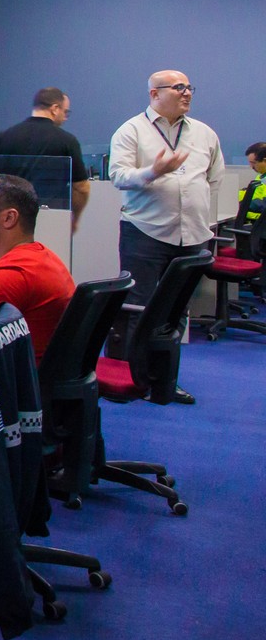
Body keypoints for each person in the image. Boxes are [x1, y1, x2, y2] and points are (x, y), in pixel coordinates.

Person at [109, 70, 224, 403]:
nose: (187, 93)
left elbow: (212, 180)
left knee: (178, 311)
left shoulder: (204, 133)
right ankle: (133, 381)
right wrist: (154, 172)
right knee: (137, 307)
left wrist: (191, 206)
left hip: (192, 236)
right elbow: (118, 176)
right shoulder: (131, 131)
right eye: (178, 88)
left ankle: (165, 381)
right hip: (145, 232)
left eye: (189, 87)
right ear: (154, 94)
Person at [0, 174, 76, 364]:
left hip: (18, 388)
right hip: (37, 380)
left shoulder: (10, 275)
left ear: (9, 218)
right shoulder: (39, 258)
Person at [0, 87, 92, 231]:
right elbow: (81, 188)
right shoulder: (67, 141)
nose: (65, 117)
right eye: (65, 112)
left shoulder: (5, 136)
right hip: (51, 220)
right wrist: (75, 218)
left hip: (9, 220)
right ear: (55, 108)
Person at [240, 142, 266, 226]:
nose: (251, 166)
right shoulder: (261, 176)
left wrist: (241, 204)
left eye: (254, 163)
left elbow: (261, 205)